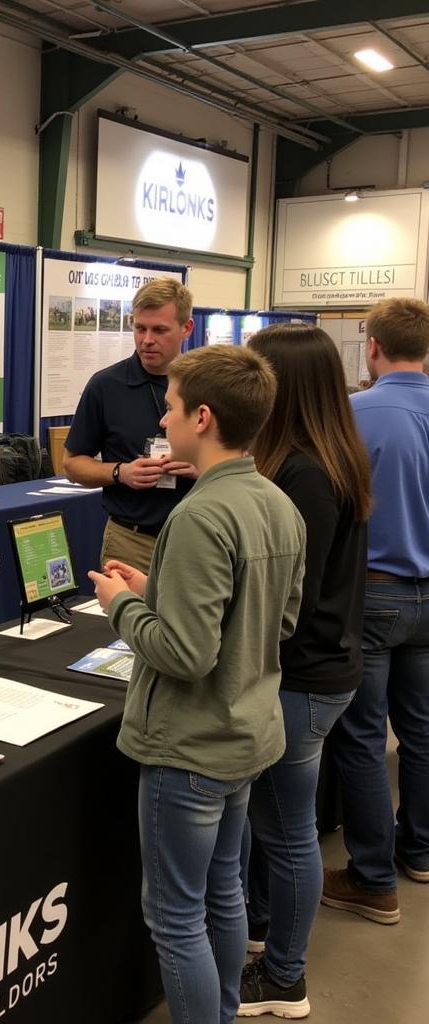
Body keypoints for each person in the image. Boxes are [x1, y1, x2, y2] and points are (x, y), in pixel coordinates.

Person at [87, 345, 305, 1024]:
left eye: (173, 405)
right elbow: (275, 618)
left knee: (175, 917)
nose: (164, 413)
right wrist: (158, 588)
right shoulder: (276, 502)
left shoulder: (198, 515)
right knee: (224, 895)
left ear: (202, 417)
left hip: (188, 749)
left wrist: (121, 606)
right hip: (244, 736)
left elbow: (183, 653)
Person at [237, 324, 371, 1018]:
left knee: (288, 832)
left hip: (304, 680)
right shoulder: (318, 458)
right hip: (317, 674)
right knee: (275, 825)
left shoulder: (306, 474)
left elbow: (295, 594)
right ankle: (263, 939)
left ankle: (285, 977)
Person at [323, 297, 429, 925]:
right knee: (420, 731)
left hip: (374, 594)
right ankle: (419, 851)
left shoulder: (353, 414)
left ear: (372, 346)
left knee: (362, 737)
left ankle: (373, 877)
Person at [63, 278, 197, 572]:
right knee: (130, 619)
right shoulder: (106, 385)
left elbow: (242, 461)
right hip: (131, 542)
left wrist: (204, 471)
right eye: (139, 328)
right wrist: (119, 472)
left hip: (197, 541)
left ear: (186, 329)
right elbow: (72, 464)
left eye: (159, 330)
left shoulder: (207, 384)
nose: (147, 340)